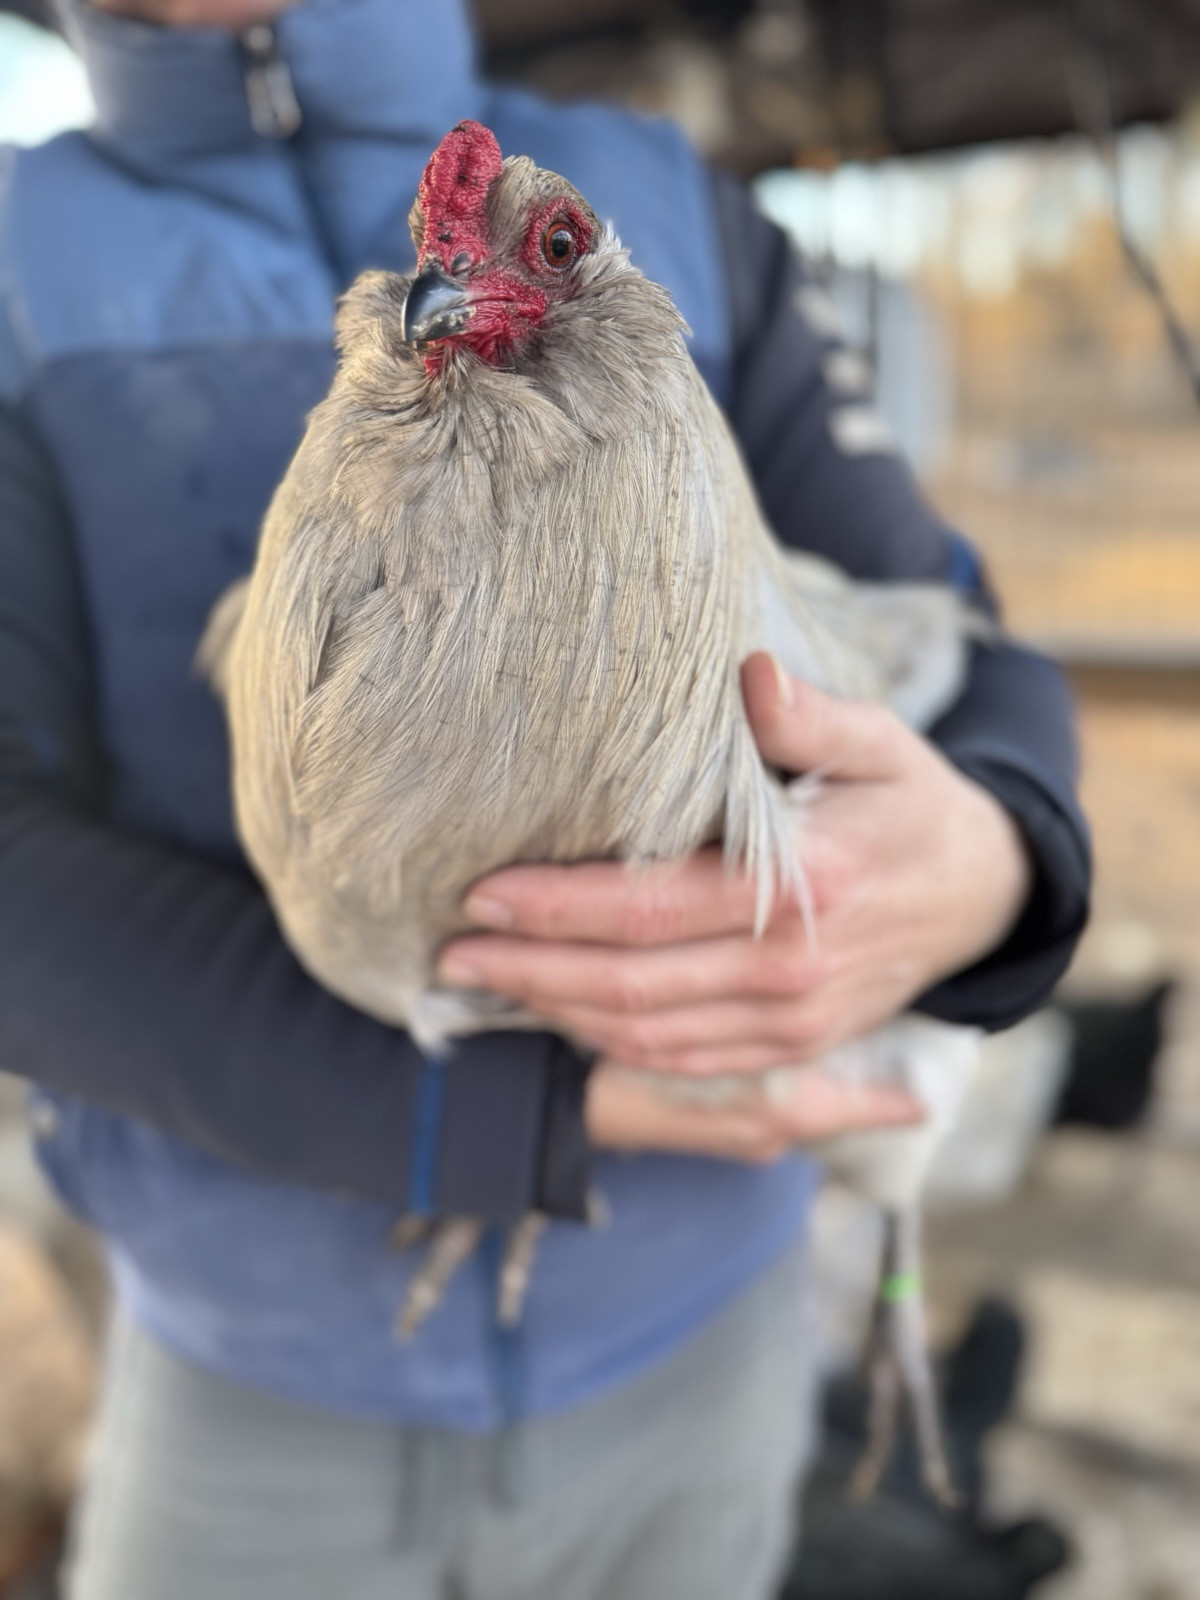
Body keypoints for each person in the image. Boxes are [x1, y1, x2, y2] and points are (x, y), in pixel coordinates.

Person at [0, 1, 1090, 1595]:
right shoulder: (22, 263)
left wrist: (996, 851)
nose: (465, 278)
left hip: (702, 1343)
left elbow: (962, 631)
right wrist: (500, 1117)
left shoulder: (689, 209)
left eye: (546, 246)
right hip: (247, 1380)